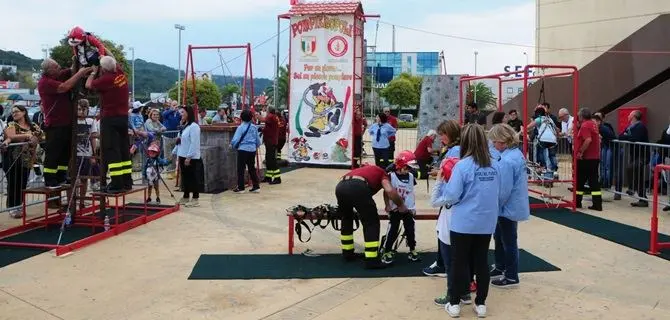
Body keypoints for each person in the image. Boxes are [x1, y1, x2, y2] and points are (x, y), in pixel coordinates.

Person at [432, 124, 500, 318]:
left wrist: (439, 187)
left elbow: (451, 195)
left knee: (458, 262)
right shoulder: (495, 165)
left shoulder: (463, 165)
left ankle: (454, 303)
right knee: (481, 261)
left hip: (463, 222)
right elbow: (499, 193)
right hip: (486, 221)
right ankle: (481, 303)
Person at [336, 163, 408, 269]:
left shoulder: (370, 169)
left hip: (340, 186)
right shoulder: (383, 174)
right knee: (371, 223)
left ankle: (348, 253)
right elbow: (389, 190)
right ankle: (371, 260)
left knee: (347, 219)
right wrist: (401, 205)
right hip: (357, 187)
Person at [38, 58, 92, 188]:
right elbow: (65, 87)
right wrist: (79, 73)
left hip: (67, 122)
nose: (59, 68)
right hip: (55, 123)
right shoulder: (45, 82)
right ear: (49, 70)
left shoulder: (57, 76)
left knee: (65, 152)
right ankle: (50, 180)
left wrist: (76, 61)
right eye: (56, 67)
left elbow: (71, 71)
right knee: (54, 152)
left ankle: (61, 176)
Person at [488, 124, 530, 288]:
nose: (492, 144)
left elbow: (504, 190)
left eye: (494, 141)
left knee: (508, 240)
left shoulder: (507, 160)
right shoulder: (515, 154)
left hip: (507, 207)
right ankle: (500, 267)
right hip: (511, 205)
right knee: (500, 237)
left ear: (503, 141)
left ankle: (511, 275)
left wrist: (494, 206)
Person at [85, 55, 132, 193]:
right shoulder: (120, 73)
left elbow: (88, 85)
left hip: (110, 118)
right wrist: (102, 53)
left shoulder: (105, 79)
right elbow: (112, 57)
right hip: (123, 117)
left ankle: (116, 183)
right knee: (123, 149)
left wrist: (93, 72)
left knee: (112, 149)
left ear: (103, 69)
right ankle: (126, 181)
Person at [424, 120, 461, 278]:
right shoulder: (453, 149)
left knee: (443, 232)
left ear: (450, 133)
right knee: (443, 231)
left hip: (447, 197)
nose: (440, 138)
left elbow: (451, 172)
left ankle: (443, 265)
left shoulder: (455, 151)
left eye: (443, 134)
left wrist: (438, 175)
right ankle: (442, 263)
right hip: (448, 196)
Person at [3, 105, 45, 218]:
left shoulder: (33, 126)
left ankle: (19, 205)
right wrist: (27, 135)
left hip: (27, 159)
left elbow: (42, 136)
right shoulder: (12, 125)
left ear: (24, 112)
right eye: (13, 112)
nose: (14, 114)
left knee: (22, 183)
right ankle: (12, 207)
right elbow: (11, 136)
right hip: (12, 158)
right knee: (13, 183)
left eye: (16, 111)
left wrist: (35, 138)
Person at [380, 151, 420, 264]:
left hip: (408, 209)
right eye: (407, 167)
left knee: (410, 229)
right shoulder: (391, 176)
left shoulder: (411, 177)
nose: (409, 170)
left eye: (410, 168)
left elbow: (410, 192)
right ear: (400, 165)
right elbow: (386, 192)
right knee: (393, 229)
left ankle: (412, 249)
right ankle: (387, 250)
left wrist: (412, 208)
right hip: (395, 209)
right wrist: (387, 205)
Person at [574, 108, 602, 211]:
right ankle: (597, 204)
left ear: (581, 116)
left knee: (580, 181)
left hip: (586, 158)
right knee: (593, 181)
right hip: (594, 157)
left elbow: (588, 139)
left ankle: (577, 202)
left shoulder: (585, 125)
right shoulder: (593, 124)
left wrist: (581, 151)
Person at [174, 106, 202, 207]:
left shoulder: (194, 126)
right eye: (180, 112)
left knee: (192, 177)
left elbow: (194, 143)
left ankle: (195, 198)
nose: (180, 114)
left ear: (188, 113)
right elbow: (180, 140)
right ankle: (186, 196)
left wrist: (189, 157)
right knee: (185, 178)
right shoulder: (183, 126)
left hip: (191, 157)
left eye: (182, 112)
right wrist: (176, 151)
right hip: (182, 154)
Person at [231, 109, 261, 193]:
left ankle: (241, 187)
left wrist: (232, 145)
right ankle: (256, 186)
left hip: (243, 150)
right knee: (252, 168)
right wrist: (256, 146)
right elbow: (258, 140)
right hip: (252, 150)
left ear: (242, 118)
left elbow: (235, 140)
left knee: (241, 169)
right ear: (251, 117)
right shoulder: (254, 127)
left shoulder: (240, 128)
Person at [75, 99, 99, 196]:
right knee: (73, 178)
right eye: (79, 109)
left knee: (84, 178)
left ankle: (82, 200)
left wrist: (93, 154)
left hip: (86, 154)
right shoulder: (73, 121)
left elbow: (93, 138)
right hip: (75, 154)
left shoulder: (91, 121)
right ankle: (73, 198)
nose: (81, 112)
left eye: (83, 110)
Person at [261, 107, 281, 184]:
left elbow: (263, 120)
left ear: (268, 111)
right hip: (271, 141)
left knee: (271, 160)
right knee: (268, 160)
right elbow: (269, 128)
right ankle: (268, 176)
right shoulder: (274, 117)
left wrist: (256, 115)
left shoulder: (270, 116)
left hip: (270, 142)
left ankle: (277, 178)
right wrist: (262, 130)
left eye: (266, 110)